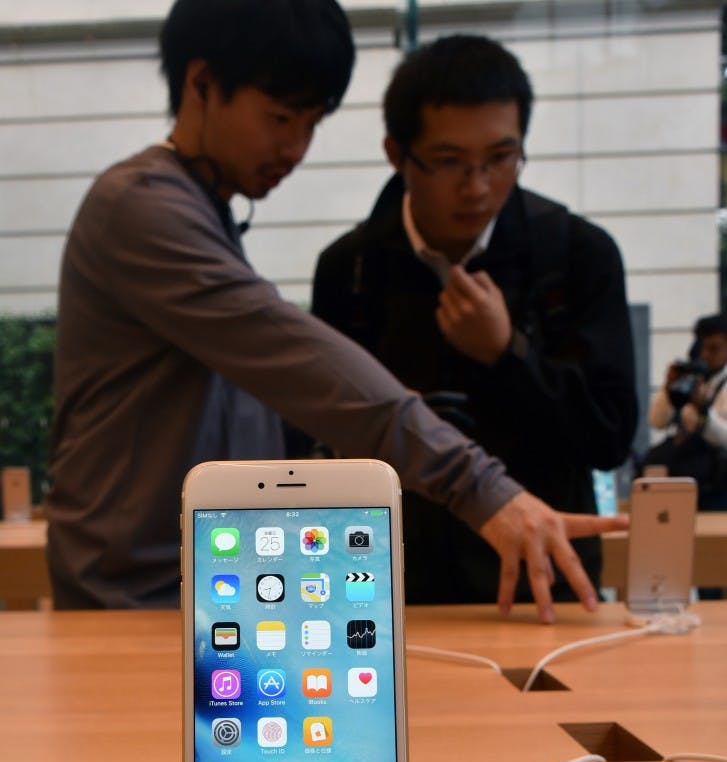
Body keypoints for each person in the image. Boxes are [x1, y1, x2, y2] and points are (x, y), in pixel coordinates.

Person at [46, 0, 626, 622]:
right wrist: (478, 486)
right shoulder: (143, 209)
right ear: (202, 84)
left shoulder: (201, 208)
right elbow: (301, 364)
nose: (295, 148)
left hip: (208, 584)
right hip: (136, 598)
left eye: (312, 123)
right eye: (279, 118)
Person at [312, 34, 637, 604]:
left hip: (544, 589)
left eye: (501, 158)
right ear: (396, 154)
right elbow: (322, 441)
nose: (478, 187)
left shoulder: (576, 254)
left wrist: (508, 354)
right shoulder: (352, 269)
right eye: (449, 162)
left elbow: (609, 438)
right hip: (389, 591)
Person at [646, 313, 727, 509]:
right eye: (703, 347)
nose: (706, 355)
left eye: (714, 348)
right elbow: (657, 421)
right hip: (685, 478)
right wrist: (669, 389)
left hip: (717, 485)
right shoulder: (694, 378)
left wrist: (703, 411)